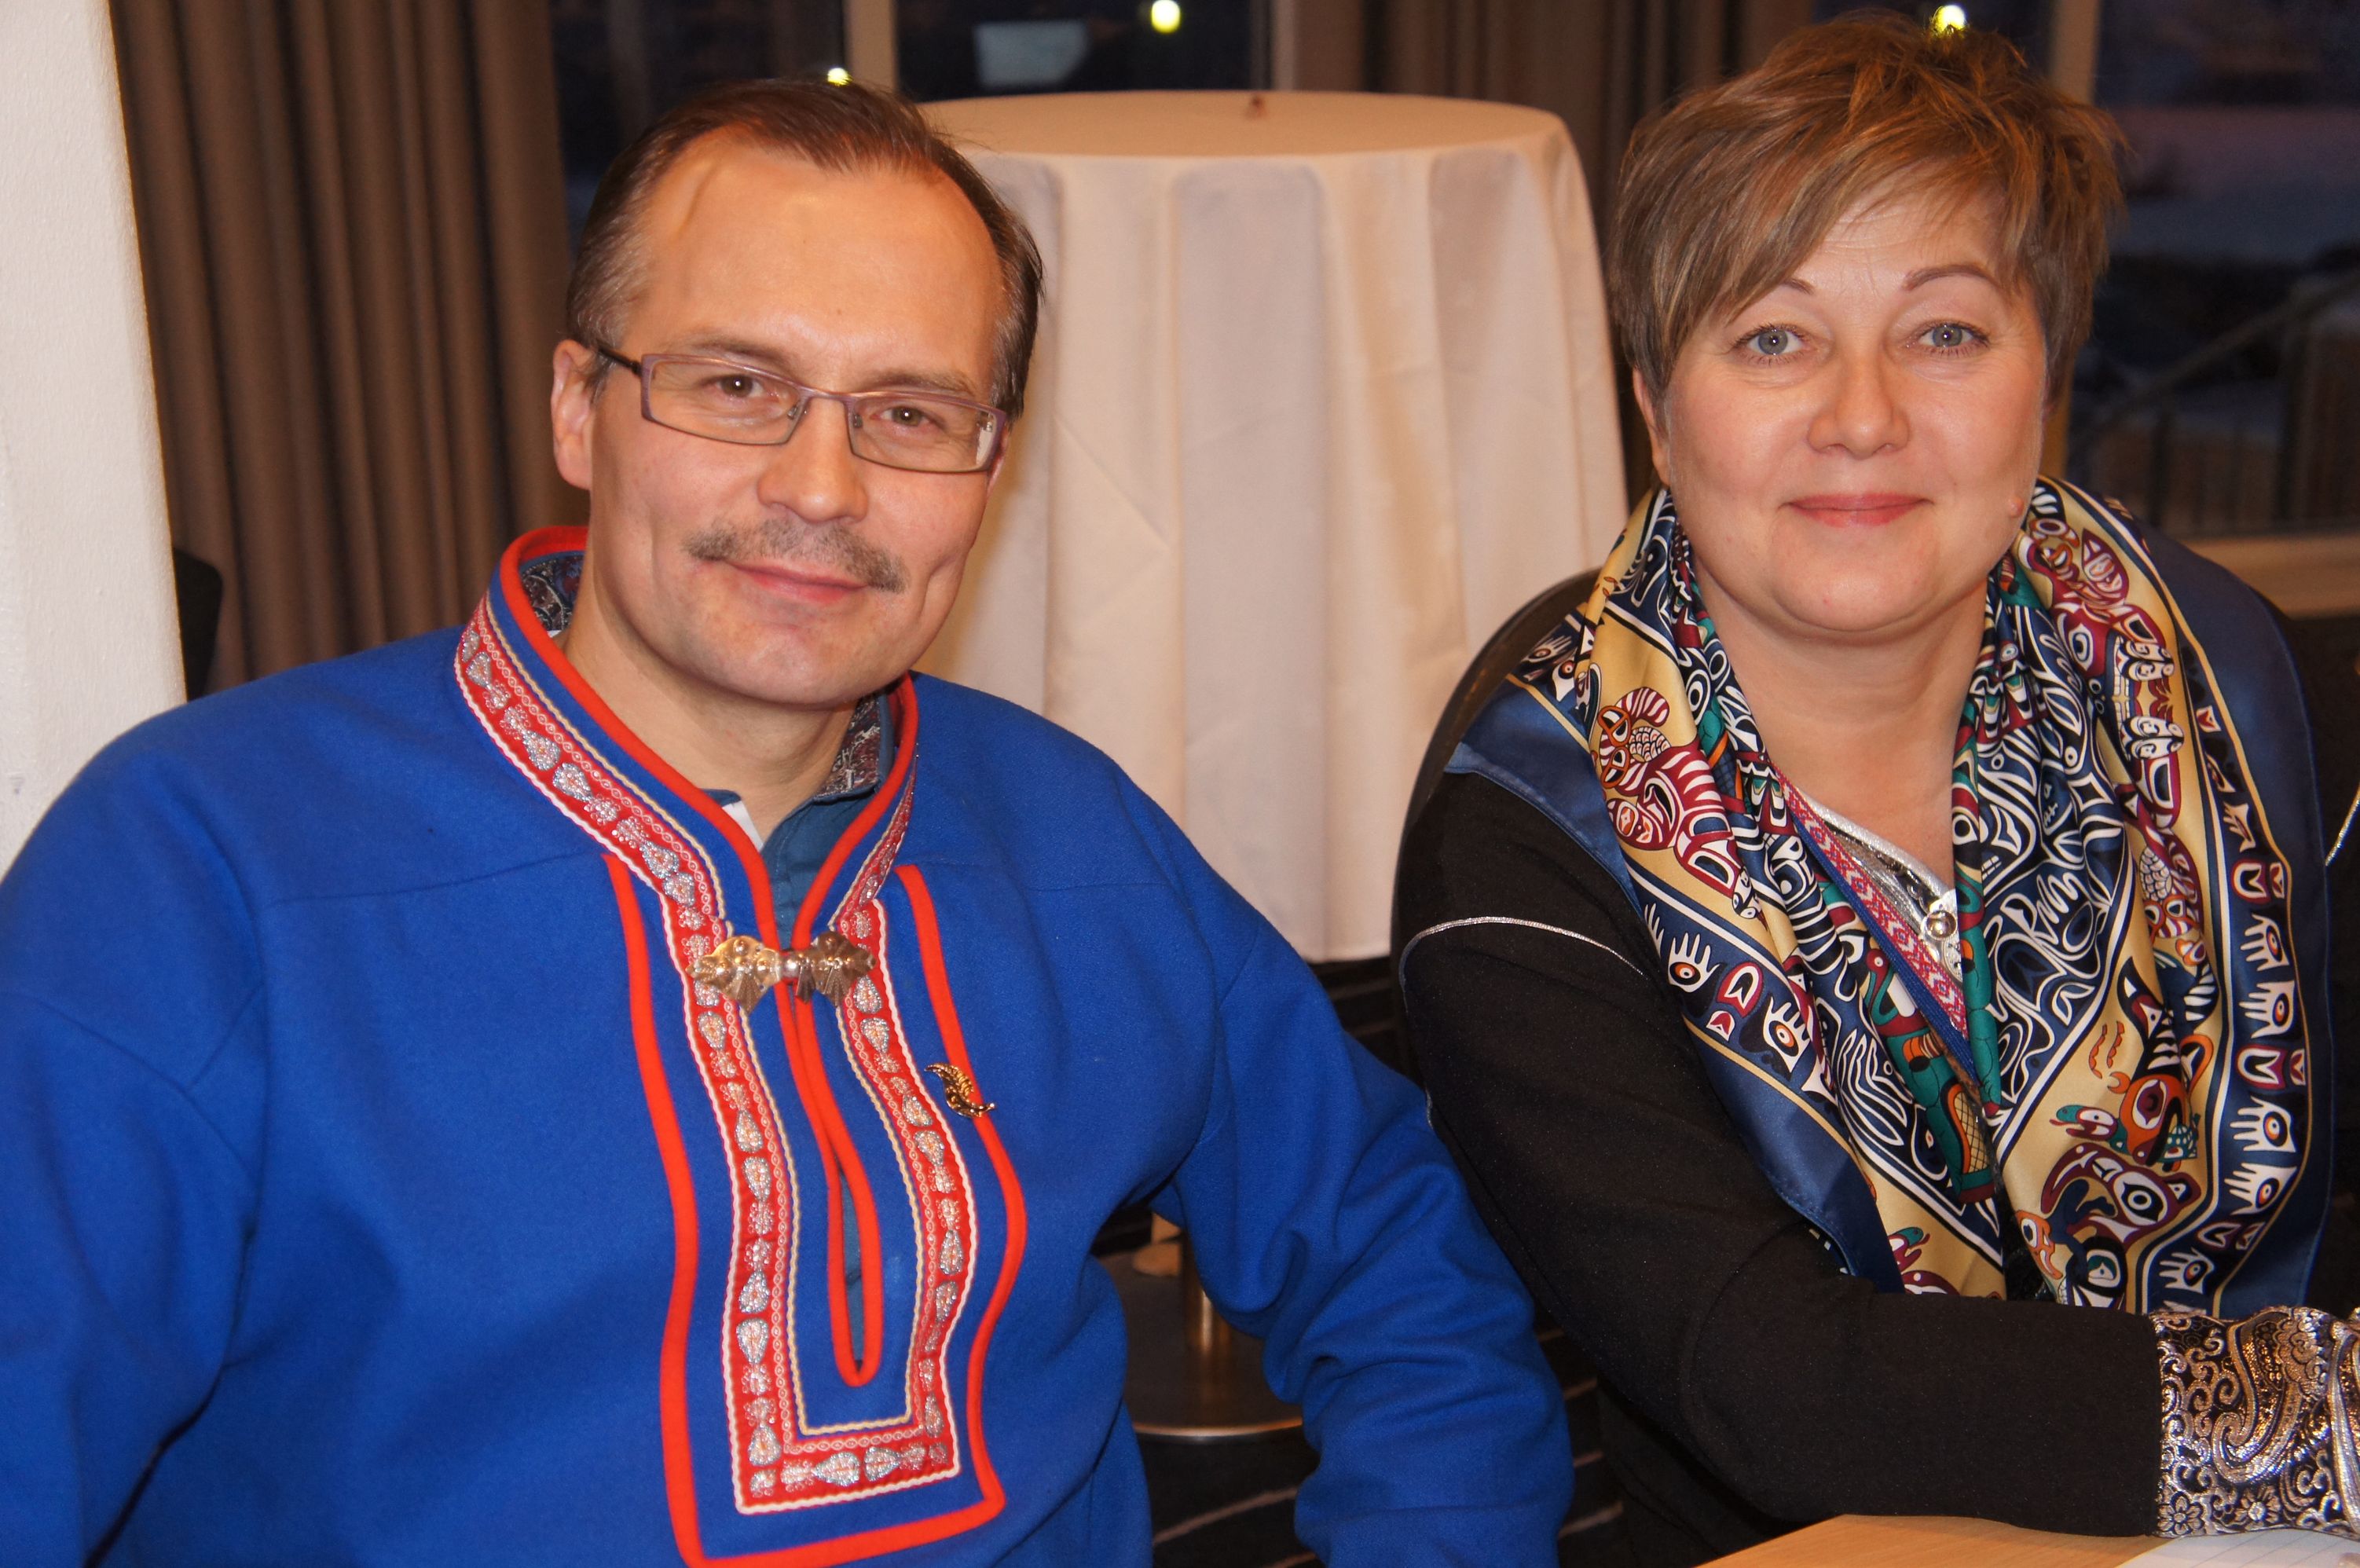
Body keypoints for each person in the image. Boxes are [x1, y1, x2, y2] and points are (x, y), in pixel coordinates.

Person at [0, 81, 1570, 1566]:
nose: (822, 483)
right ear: (577, 408)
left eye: (908, 411)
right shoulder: (200, 860)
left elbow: (1401, 1258)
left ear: (989, 469)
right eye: (737, 383)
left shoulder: (1070, 833)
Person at [1397, 14, 2360, 1565]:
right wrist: (2317, 1417)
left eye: (1945, 331)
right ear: (1653, 401)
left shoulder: (2246, 694)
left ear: (2043, 367)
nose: (1860, 413)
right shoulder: (1524, 825)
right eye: (1770, 336)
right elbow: (1774, 1382)